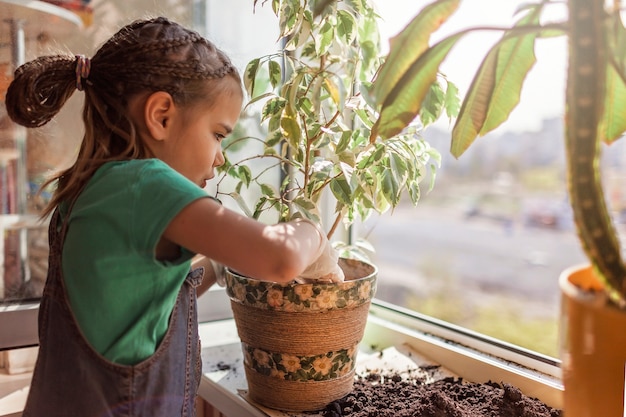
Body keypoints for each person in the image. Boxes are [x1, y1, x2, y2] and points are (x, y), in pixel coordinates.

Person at [5, 16, 344, 417]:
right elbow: (280, 258)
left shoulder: (88, 189)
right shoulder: (144, 183)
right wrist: (315, 237)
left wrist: (217, 267)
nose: (220, 158)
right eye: (218, 134)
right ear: (162, 115)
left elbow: (141, 308)